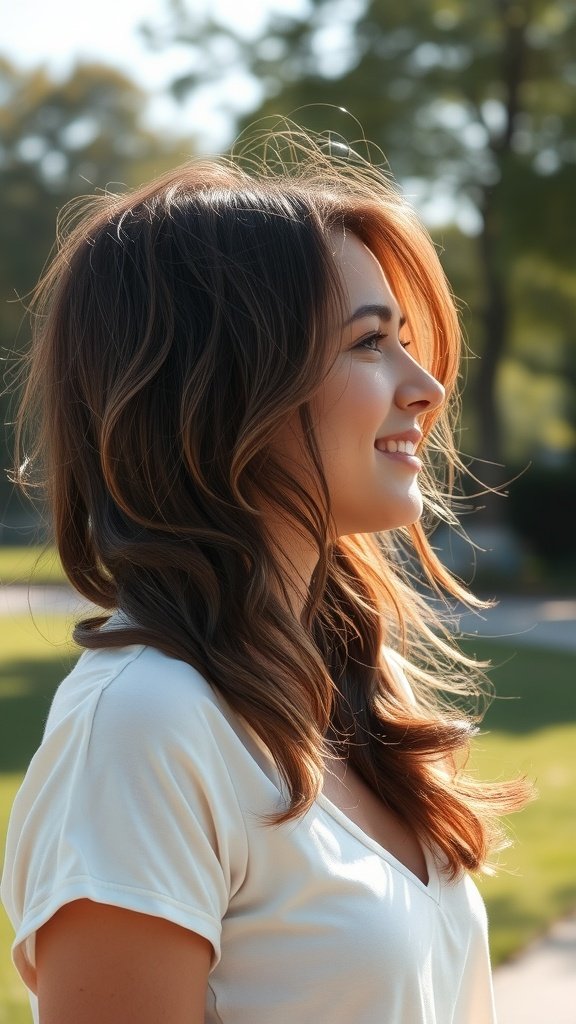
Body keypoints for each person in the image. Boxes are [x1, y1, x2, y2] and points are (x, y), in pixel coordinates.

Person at [1, 126, 528, 1024]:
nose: (427, 386)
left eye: (406, 340)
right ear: (230, 387)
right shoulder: (141, 727)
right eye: (370, 343)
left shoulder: (351, 685)